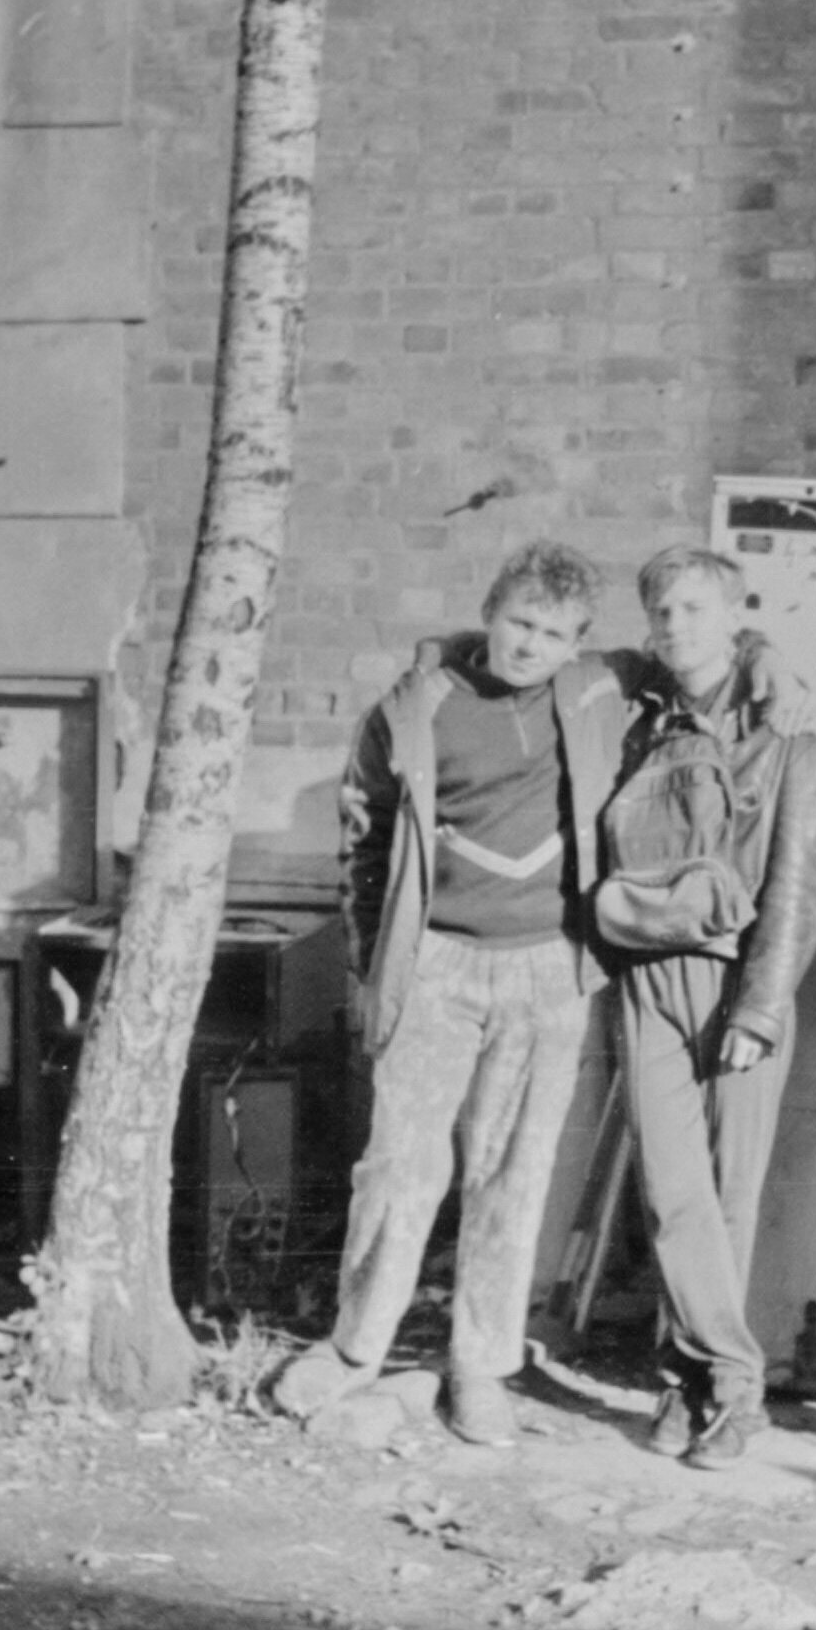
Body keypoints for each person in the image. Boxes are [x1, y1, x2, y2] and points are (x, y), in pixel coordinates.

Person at [274, 540, 631, 1445]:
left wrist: (766, 659)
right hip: (436, 963)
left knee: (512, 1172)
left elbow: (702, 660)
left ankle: (481, 1365)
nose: (530, 645)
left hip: (548, 966)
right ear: (489, 613)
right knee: (398, 1162)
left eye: (552, 633)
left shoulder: (598, 692)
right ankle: (355, 1347)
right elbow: (362, 838)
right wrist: (376, 965)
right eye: (519, 622)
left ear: (577, 641)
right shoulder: (414, 707)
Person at [593, 545, 816, 1469]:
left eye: (696, 608)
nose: (676, 626)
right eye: (661, 610)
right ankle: (719, 1382)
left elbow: (798, 885)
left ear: (735, 616)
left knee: (726, 1199)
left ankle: (701, 1388)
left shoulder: (791, 727)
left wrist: (761, 1011)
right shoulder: (638, 711)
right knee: (671, 1194)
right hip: (645, 976)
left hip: (739, 982)